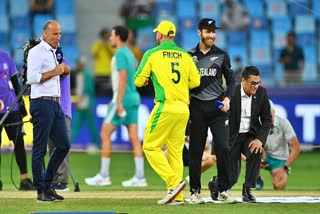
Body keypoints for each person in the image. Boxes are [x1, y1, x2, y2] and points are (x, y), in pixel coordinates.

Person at [134, 20, 201, 205]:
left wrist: (150, 78)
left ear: (160, 35)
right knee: (175, 153)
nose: (157, 35)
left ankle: (174, 183)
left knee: (149, 146)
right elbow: (195, 82)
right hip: (183, 109)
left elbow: (138, 81)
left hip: (165, 107)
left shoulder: (152, 54)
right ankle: (177, 197)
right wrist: (178, 85)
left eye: (157, 33)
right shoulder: (185, 56)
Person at [85, 25, 147, 188]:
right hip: (134, 97)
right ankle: (140, 176)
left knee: (104, 134)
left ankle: (104, 175)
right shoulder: (130, 54)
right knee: (134, 139)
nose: (110, 38)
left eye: (112, 36)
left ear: (118, 36)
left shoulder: (120, 54)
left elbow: (122, 78)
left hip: (123, 98)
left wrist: (118, 102)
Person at [188, 18, 236, 204]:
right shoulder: (189, 55)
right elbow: (184, 83)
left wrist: (227, 99)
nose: (212, 35)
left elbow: (231, 81)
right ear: (199, 32)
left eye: (214, 32)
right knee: (196, 152)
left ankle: (223, 190)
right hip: (197, 109)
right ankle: (195, 192)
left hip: (217, 109)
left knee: (223, 148)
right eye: (208, 31)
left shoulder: (222, 55)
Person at [27, 20, 70, 202]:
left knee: (63, 145)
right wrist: (55, 71)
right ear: (45, 34)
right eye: (55, 34)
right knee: (39, 149)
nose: (58, 37)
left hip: (54, 103)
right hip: (41, 102)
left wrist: (63, 70)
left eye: (60, 34)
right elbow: (32, 78)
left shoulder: (54, 53)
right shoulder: (36, 51)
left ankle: (47, 183)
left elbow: (59, 72)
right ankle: (41, 191)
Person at [226, 65, 272, 203]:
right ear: (243, 81)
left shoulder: (262, 93)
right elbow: (219, 118)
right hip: (232, 137)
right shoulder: (231, 93)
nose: (256, 86)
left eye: (258, 83)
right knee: (232, 177)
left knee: (256, 150)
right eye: (253, 83)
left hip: (250, 136)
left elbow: (267, 119)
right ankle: (216, 184)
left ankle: (248, 189)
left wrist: (259, 139)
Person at [0, 50, 35, 191]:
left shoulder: (6, 56)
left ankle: (24, 179)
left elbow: (15, 81)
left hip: (12, 108)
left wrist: (21, 102)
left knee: (19, 142)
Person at [256, 100, 301, 190]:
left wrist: (285, 167)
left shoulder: (283, 123)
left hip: (281, 160)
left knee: (279, 185)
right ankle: (258, 178)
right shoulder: (256, 124)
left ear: (273, 112)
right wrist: (257, 161)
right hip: (265, 156)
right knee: (252, 148)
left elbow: (296, 148)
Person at [47, 58, 72, 192]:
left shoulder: (62, 61)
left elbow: (64, 70)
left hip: (63, 109)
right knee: (51, 147)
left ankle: (62, 181)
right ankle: (53, 178)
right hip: (49, 108)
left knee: (62, 145)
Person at [71, 57, 99, 149]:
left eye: (78, 63)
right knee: (77, 124)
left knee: (90, 125)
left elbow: (87, 90)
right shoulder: (81, 74)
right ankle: (68, 143)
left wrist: (79, 101)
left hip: (87, 103)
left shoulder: (86, 74)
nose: (77, 65)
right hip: (83, 102)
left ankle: (97, 145)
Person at [92, 28, 114, 95]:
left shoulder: (111, 45)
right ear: (101, 36)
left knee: (108, 91)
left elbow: (113, 55)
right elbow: (94, 55)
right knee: (98, 92)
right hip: (99, 72)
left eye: (106, 37)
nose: (105, 38)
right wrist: (101, 46)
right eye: (104, 36)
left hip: (108, 72)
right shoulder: (97, 45)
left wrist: (107, 47)